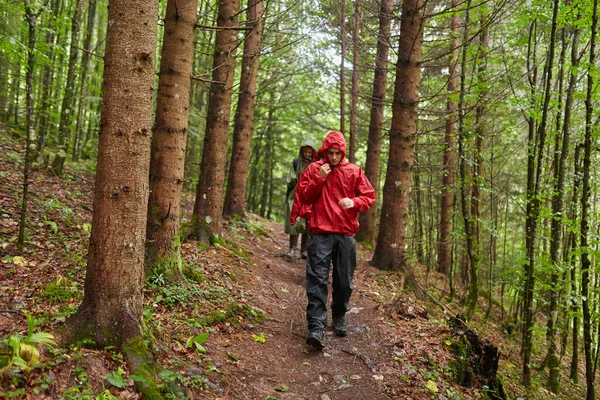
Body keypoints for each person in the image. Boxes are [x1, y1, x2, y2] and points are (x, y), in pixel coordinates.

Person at [291, 131, 375, 350]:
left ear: (343, 152)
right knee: (317, 278)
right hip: (320, 232)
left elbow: (369, 196)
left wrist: (354, 202)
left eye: (338, 153)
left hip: (346, 233)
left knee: (344, 280)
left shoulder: (354, 171)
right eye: (331, 152)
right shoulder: (314, 169)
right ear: (325, 151)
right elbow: (304, 197)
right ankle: (316, 326)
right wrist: (319, 178)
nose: (334, 156)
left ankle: (339, 315)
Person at [284, 139, 317, 261]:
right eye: (305, 152)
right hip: (295, 195)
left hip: (309, 196)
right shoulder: (295, 162)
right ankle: (292, 249)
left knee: (307, 223)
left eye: (309, 152)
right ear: (301, 151)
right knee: (295, 222)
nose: (307, 154)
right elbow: (290, 179)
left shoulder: (315, 164)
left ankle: (304, 250)